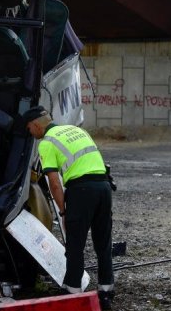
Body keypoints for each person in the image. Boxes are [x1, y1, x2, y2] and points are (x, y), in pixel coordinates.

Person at [23, 105, 114, 310]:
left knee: (75, 245)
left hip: (81, 191)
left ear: (37, 125)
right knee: (103, 243)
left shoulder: (46, 144)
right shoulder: (77, 130)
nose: (30, 133)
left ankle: (72, 293)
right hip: (104, 187)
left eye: (29, 129)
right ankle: (106, 292)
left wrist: (63, 211)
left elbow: (54, 183)